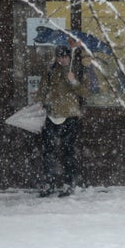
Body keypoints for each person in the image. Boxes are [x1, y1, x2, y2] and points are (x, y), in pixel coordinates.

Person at [36, 45, 92, 198]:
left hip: (70, 116)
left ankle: (68, 183)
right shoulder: (50, 71)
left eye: (65, 57)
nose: (62, 60)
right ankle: (49, 183)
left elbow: (86, 92)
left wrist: (73, 82)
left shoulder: (79, 71)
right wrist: (40, 101)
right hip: (51, 114)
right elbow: (42, 89)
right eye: (59, 57)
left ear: (70, 57)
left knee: (68, 152)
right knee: (48, 152)